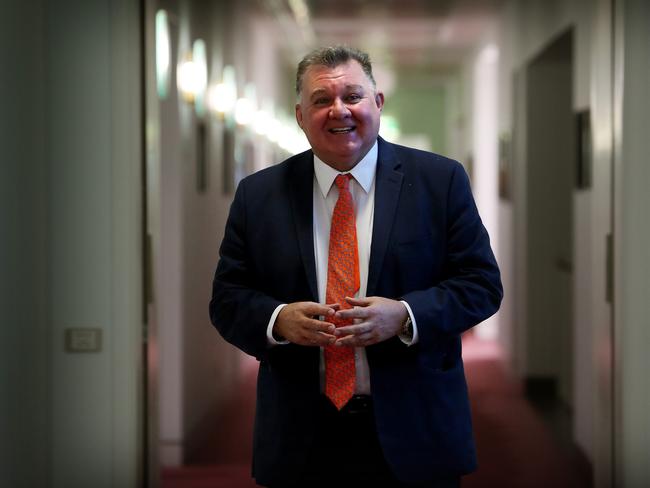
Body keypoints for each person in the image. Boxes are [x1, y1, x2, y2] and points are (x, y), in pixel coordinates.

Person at [210, 45, 502, 488]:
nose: (338, 111)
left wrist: (404, 316)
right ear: (299, 115)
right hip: (301, 433)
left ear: (378, 102)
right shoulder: (259, 195)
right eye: (322, 100)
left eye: (352, 96)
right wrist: (278, 320)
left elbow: (481, 285)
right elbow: (227, 299)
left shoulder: (439, 181)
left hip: (416, 426)